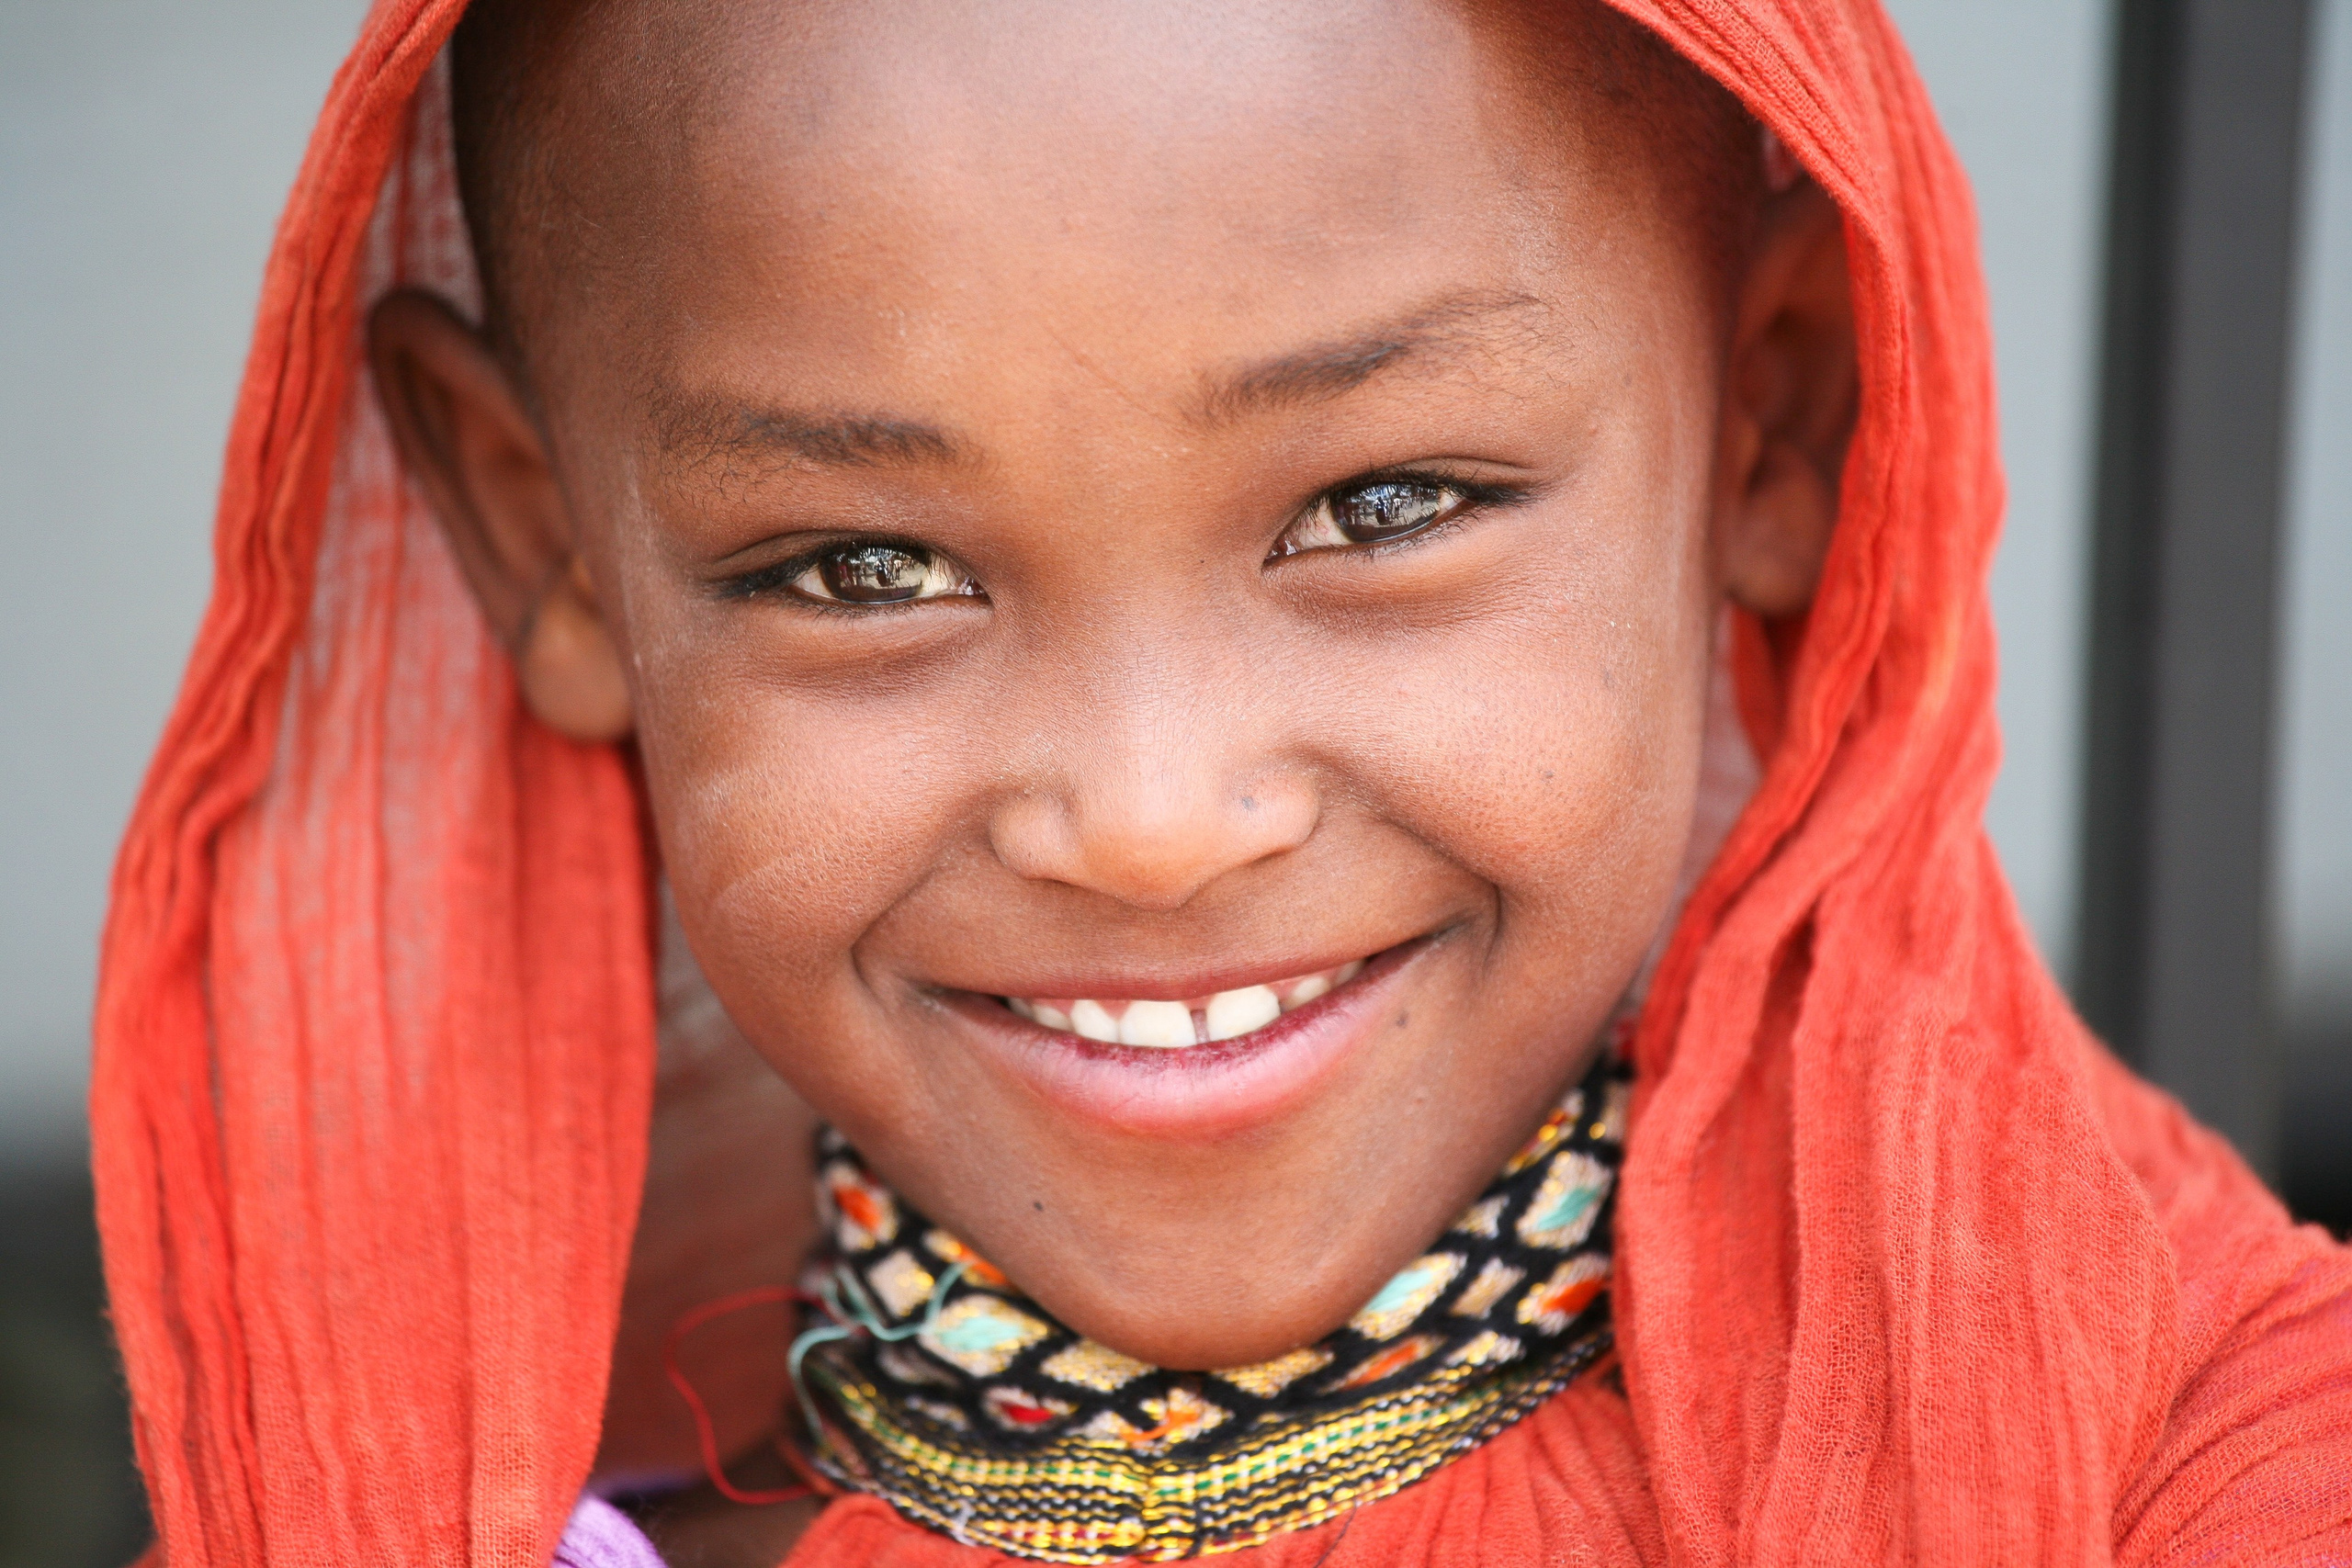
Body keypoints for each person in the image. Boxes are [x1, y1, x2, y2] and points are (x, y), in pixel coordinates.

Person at [90, 0, 2352, 1564]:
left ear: (1765, 420)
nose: (1153, 815)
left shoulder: (2189, 1465)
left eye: (1381, 506)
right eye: (860, 565)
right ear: (542, 541)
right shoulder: (428, 1496)